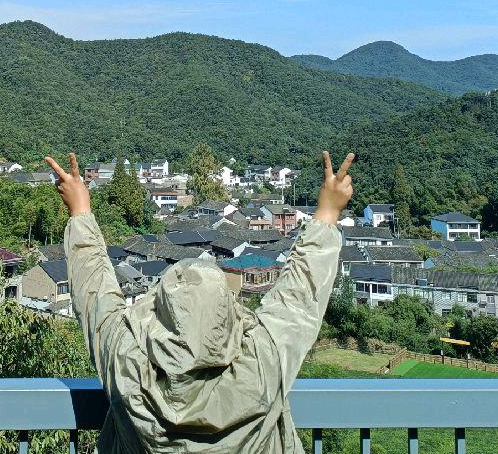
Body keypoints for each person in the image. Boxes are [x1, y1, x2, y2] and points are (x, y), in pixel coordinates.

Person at [43, 150, 355, 454]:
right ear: (228, 310)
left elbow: (95, 295)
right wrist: (327, 213)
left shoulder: (126, 362)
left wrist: (80, 211)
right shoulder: (261, 362)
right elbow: (299, 297)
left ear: (158, 310)